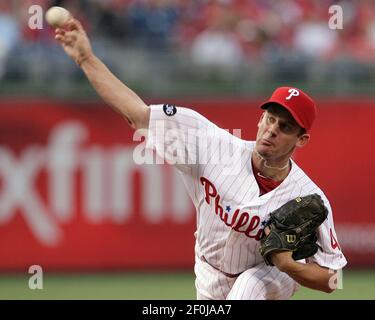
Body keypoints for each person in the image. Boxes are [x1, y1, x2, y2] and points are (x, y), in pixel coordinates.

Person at [54, 18, 347, 300]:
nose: (272, 130)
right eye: (270, 119)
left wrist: (289, 266)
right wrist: (86, 59)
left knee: (250, 284)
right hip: (209, 272)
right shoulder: (212, 146)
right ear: (260, 119)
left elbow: (333, 278)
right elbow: (138, 115)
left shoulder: (308, 196)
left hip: (270, 277)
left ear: (301, 140)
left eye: (285, 127)